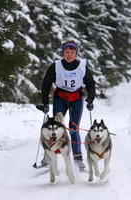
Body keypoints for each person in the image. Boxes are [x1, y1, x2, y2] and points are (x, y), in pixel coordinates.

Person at [40, 40, 96, 170]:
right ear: (62, 53)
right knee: (55, 128)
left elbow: (90, 84)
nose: (69, 55)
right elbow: (46, 84)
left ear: (76, 53)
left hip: (76, 99)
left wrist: (90, 99)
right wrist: (45, 103)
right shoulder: (55, 66)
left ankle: (78, 157)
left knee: (73, 128)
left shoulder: (82, 66)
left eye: (72, 52)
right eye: (66, 52)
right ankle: (49, 155)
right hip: (60, 98)